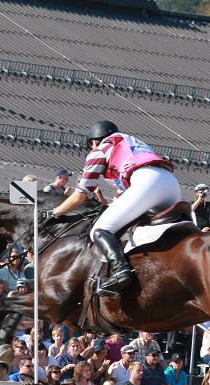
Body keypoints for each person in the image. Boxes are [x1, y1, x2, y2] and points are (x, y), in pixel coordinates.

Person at [50, 121, 177, 296]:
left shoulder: (99, 150)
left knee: (100, 229)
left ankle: (120, 271)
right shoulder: (130, 144)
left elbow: (80, 195)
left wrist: (54, 212)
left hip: (147, 182)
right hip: (171, 184)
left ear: (94, 141)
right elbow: (118, 202)